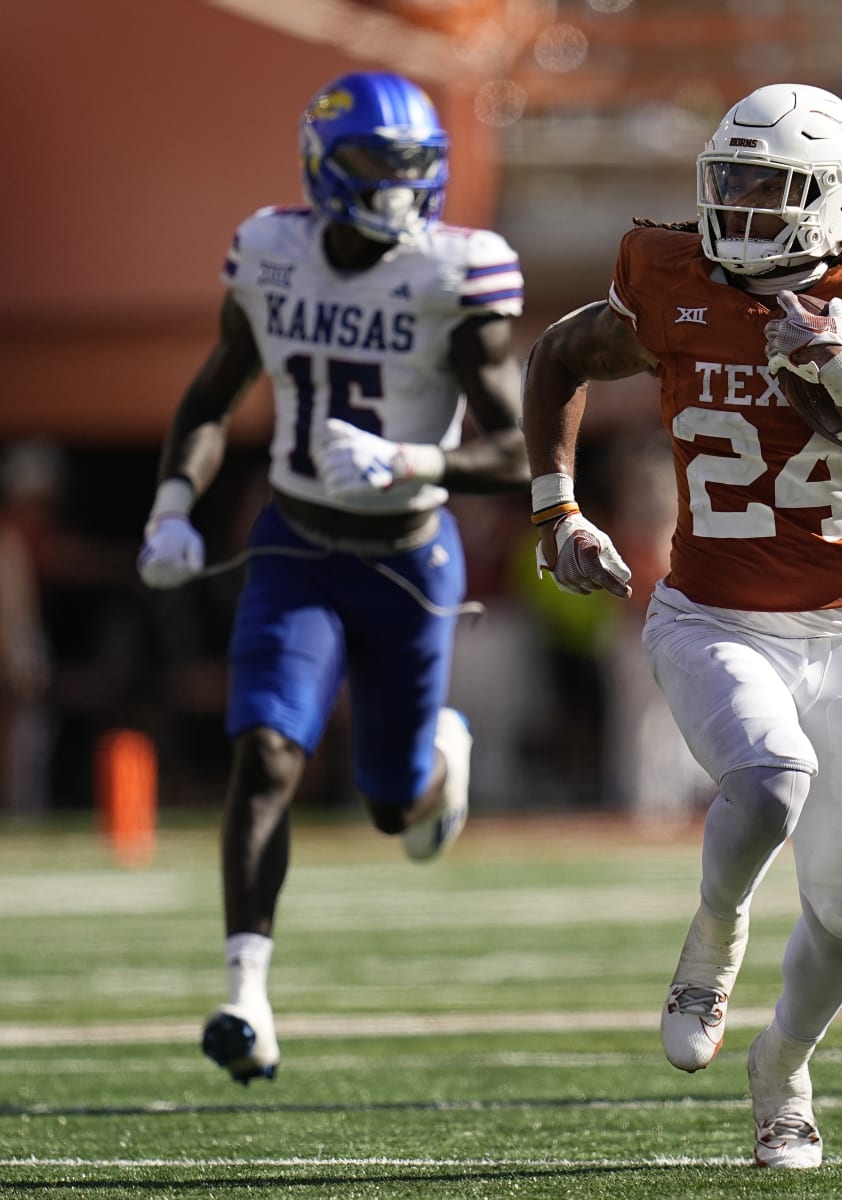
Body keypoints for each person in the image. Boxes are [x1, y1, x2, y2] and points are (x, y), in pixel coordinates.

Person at [520, 83, 842, 1168]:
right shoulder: (669, 278)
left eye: (772, 187)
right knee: (770, 780)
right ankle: (711, 943)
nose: (745, 205)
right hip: (708, 614)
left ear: (836, 199)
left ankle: (783, 1071)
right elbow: (556, 358)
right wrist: (555, 506)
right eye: (735, 181)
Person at [136, 71, 528, 1082]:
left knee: (392, 805)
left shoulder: (456, 273)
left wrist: (416, 462)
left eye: (413, 171)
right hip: (296, 546)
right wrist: (174, 504)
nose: (398, 192)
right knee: (266, 753)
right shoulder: (272, 252)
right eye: (374, 168)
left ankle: (439, 762)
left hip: (407, 556)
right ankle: (246, 995)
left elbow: (518, 447)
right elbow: (214, 396)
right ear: (325, 168)